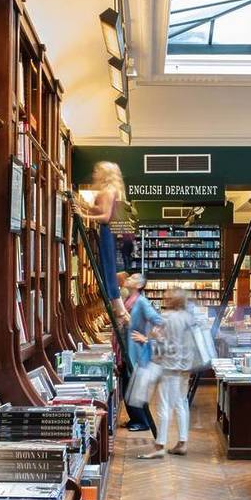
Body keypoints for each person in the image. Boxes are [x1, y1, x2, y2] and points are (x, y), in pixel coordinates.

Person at [135, 288, 196, 459]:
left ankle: (160, 445)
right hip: (184, 367)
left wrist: (149, 338)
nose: (165, 298)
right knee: (181, 403)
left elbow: (160, 343)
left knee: (163, 406)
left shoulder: (167, 318)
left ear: (172, 301)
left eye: (168, 297)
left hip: (168, 367)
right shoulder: (189, 318)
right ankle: (182, 442)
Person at [76, 161, 129, 322]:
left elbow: (105, 217)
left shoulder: (107, 191)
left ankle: (121, 312)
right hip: (108, 232)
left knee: (107, 270)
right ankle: (120, 312)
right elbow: (101, 210)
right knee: (106, 269)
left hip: (106, 231)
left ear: (104, 173)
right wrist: (84, 206)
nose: (94, 174)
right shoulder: (111, 190)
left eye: (97, 171)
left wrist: (83, 215)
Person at [123, 273, 161, 432]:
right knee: (127, 386)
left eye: (132, 278)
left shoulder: (142, 302)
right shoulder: (129, 300)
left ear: (139, 285)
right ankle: (134, 419)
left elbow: (159, 321)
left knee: (134, 387)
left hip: (137, 351)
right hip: (127, 349)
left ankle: (143, 422)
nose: (128, 279)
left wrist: (146, 338)